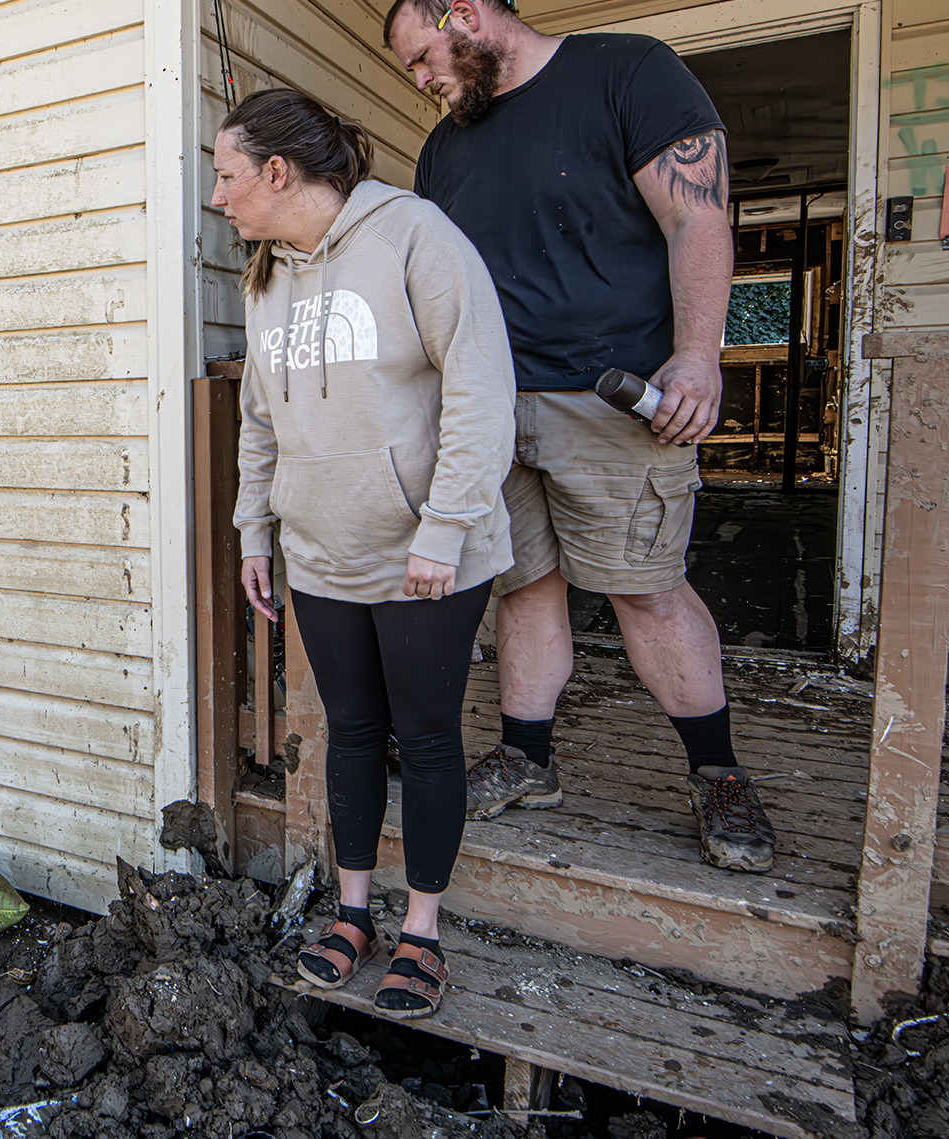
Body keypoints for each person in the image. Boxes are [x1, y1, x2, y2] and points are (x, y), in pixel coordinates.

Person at [383, 0, 777, 873]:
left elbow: (696, 218)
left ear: (463, 13)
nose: (420, 83)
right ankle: (529, 759)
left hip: (610, 394)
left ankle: (715, 770)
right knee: (524, 587)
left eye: (422, 59)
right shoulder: (446, 147)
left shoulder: (626, 72)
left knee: (645, 590)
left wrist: (695, 355)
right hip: (490, 410)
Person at [219, 88, 516, 1015]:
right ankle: (352, 913)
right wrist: (254, 528)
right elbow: (257, 419)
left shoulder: (415, 237)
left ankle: (420, 930)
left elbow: (480, 387)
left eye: (227, 176)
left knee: (425, 738)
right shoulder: (264, 275)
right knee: (349, 734)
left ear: (277, 171)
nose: (218, 195)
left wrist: (445, 525)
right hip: (320, 549)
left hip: (424, 552)